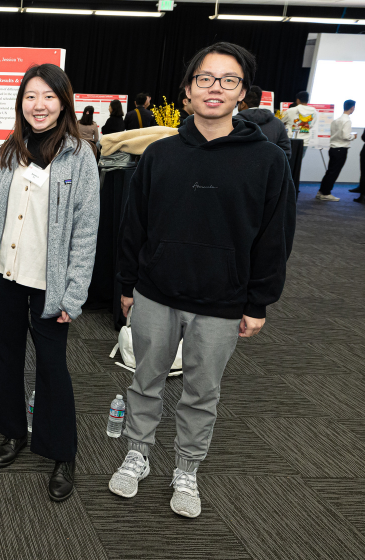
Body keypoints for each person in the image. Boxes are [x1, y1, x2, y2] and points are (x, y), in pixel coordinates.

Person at [109, 42, 296, 519]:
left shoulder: (268, 160)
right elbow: (134, 225)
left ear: (243, 93)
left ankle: (187, 468)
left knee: (202, 390)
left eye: (227, 80)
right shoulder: (160, 154)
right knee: (145, 379)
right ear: (188, 90)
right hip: (155, 291)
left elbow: (275, 239)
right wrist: (127, 284)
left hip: (223, 299)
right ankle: (138, 453)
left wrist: (259, 302)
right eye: (205, 79)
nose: (215, 88)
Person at [0, 63, 100, 503]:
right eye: (30, 96)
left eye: (48, 96)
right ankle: (13, 432)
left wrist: (75, 293)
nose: (38, 105)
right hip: (7, 275)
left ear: (63, 100)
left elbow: (86, 230)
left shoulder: (78, 155)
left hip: (51, 285)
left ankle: (62, 452)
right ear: (20, 102)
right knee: (6, 358)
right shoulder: (11, 149)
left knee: (52, 368)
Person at [318, 99, 357, 201]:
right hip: (341, 149)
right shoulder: (347, 120)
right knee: (334, 172)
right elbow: (345, 136)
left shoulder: (336, 120)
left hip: (333, 148)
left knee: (330, 171)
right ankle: (326, 193)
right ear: (352, 108)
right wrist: (353, 136)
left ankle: (321, 191)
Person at [237, 86, 291, 159]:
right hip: (268, 168)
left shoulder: (234, 121)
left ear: (243, 104)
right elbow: (285, 152)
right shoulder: (278, 123)